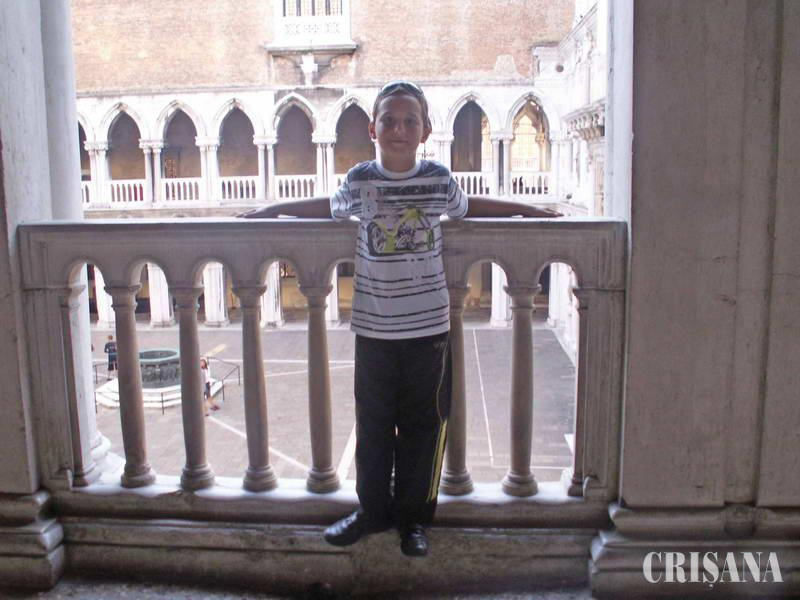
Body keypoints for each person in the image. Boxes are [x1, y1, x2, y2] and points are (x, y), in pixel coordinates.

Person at [242, 81, 558, 557]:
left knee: (424, 428)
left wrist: (524, 209)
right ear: (373, 129)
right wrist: (274, 209)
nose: (398, 129)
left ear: (425, 131)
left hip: (429, 330)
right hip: (374, 328)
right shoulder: (360, 180)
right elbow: (325, 207)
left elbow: (472, 206)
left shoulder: (438, 180)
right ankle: (372, 512)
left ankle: (413, 520)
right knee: (372, 426)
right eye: (389, 120)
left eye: (410, 121)